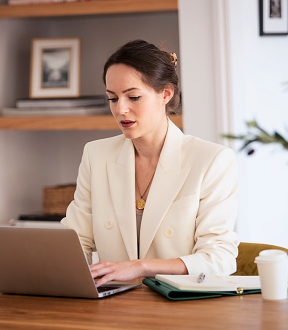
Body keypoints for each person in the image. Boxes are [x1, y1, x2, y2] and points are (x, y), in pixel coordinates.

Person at [61, 40, 239, 287]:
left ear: (166, 94)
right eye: (113, 98)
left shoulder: (211, 160)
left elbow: (219, 258)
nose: (121, 109)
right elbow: (75, 239)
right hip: (114, 306)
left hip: (180, 306)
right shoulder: (96, 155)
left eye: (133, 97)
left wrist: (140, 267)